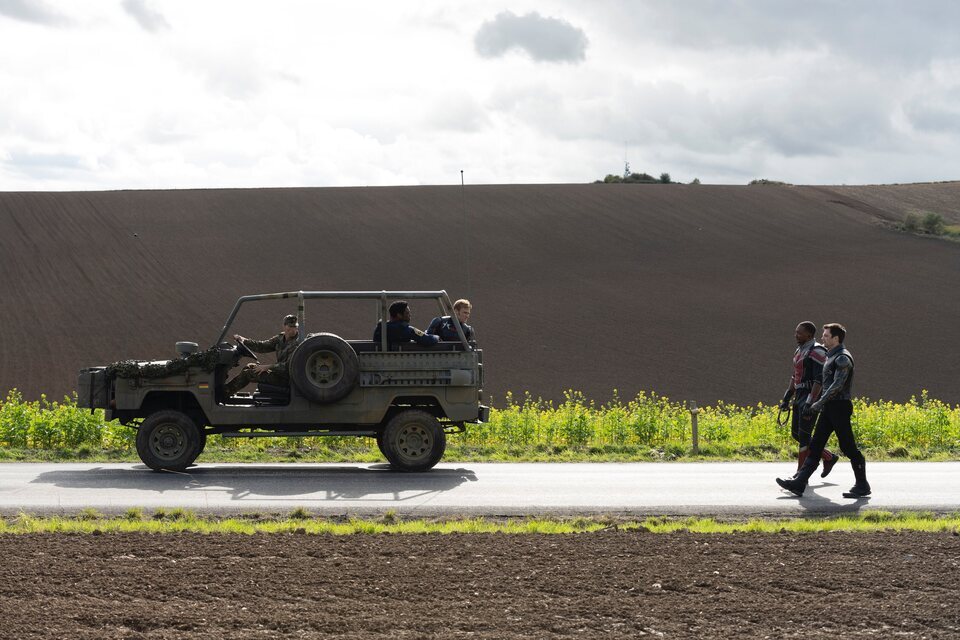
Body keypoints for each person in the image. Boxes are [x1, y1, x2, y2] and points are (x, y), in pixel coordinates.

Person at [777, 323, 871, 498]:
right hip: (829, 406)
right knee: (816, 445)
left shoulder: (842, 358)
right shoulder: (830, 356)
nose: (822, 338)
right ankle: (799, 483)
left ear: (836, 338)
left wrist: (817, 403)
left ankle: (862, 484)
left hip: (839, 407)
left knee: (848, 447)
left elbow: (836, 386)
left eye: (826, 336)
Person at [779, 321, 838, 476]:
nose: (796, 335)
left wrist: (810, 402)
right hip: (799, 395)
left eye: (799, 332)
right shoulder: (799, 350)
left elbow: (820, 379)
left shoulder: (817, 351)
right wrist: (787, 396)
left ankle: (800, 474)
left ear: (809, 335)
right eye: (796, 331)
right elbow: (795, 375)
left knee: (804, 436)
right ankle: (828, 457)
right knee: (796, 434)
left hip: (811, 395)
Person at [224, 314, 300, 396]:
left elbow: (288, 366)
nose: (293, 329)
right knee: (250, 366)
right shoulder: (280, 338)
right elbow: (262, 346)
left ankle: (225, 392)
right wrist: (244, 340)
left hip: (286, 379)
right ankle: (228, 390)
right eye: (290, 326)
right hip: (279, 374)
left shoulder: (298, 343)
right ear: (284, 326)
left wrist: (267, 367)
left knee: (249, 373)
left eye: (295, 327)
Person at [373, 300, 440, 349]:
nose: (409, 315)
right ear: (399, 315)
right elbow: (428, 340)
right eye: (407, 313)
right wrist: (437, 337)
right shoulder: (405, 329)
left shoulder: (380, 328)